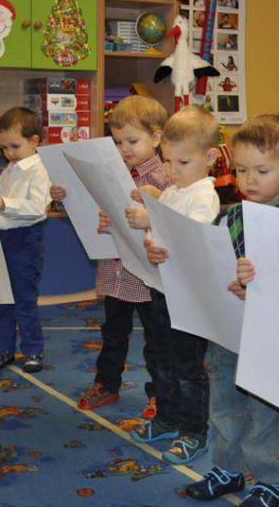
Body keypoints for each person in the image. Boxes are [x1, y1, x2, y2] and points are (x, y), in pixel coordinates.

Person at [148, 115, 279, 506]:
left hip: (270, 336)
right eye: (242, 170)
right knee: (226, 402)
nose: (250, 180)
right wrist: (165, 252)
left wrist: (260, 286)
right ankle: (229, 468)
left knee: (267, 410)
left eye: (262, 171)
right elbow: (204, 261)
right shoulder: (228, 216)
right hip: (228, 329)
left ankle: (270, 477)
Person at [50, 95, 171, 415]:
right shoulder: (111, 171)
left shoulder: (163, 179)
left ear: (156, 137)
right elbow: (86, 204)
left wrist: (149, 208)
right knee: (113, 331)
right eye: (117, 142)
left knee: (157, 338)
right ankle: (106, 383)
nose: (124, 149)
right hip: (115, 268)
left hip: (147, 274)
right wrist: (63, 196)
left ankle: (160, 393)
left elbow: (172, 224)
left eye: (132, 141)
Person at [129, 105, 221, 465]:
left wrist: (153, 222)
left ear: (209, 158)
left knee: (187, 367)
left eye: (183, 162)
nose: (172, 170)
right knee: (161, 360)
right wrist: (151, 238)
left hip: (190, 297)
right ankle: (167, 417)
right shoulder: (172, 191)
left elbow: (191, 237)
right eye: (167, 161)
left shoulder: (203, 195)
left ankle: (193, 430)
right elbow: (159, 235)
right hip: (163, 291)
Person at [0, 107, 51, 373]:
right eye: (4, 148)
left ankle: (33, 350)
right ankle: (4, 348)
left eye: (14, 146)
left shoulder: (39, 170)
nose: (8, 153)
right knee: (2, 297)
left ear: (34, 141)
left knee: (24, 299)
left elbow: (37, 208)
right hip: (2, 237)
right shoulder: (10, 169)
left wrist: (3, 203)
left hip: (25, 240)